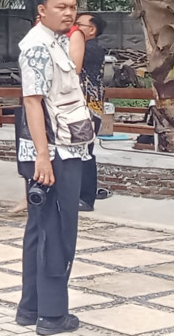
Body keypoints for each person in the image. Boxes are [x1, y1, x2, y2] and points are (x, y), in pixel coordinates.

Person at [16, 0, 93, 335]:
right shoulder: (36, 47)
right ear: (41, 10)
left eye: (72, 6)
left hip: (63, 147)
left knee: (41, 229)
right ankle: (52, 315)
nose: (68, 12)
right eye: (61, 6)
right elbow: (33, 103)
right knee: (57, 232)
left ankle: (31, 308)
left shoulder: (58, 42)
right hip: (55, 153)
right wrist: (43, 158)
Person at [75, 12, 108, 212]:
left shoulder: (92, 49)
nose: (74, 28)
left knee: (85, 152)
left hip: (88, 108)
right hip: (81, 107)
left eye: (79, 24)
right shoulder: (84, 46)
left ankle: (86, 198)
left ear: (92, 30)